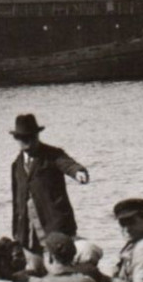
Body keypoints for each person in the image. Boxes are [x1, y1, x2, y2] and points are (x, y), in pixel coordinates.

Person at [9, 113, 90, 270]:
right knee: (34, 270)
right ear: (17, 139)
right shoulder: (16, 165)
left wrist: (78, 172)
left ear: (37, 135)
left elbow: (67, 164)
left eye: (31, 137)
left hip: (55, 224)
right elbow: (16, 200)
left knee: (59, 268)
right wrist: (16, 230)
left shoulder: (53, 154)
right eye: (23, 139)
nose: (28, 142)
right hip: (28, 231)